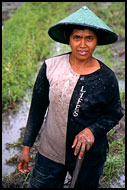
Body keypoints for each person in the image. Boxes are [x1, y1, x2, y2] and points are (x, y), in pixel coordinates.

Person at [17, 6, 123, 188]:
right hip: (49, 153)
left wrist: (93, 130)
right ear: (69, 40)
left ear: (96, 41)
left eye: (89, 38)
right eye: (77, 38)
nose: (83, 45)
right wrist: (27, 147)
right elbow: (37, 109)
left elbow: (114, 113)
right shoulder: (51, 67)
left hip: (87, 157)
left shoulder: (106, 77)